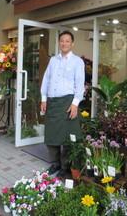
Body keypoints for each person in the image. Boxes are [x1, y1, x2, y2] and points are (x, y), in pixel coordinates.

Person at [40, 31, 85, 177]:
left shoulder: (77, 61)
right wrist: (43, 98)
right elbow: (46, 79)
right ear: (59, 43)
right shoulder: (53, 60)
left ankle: (65, 168)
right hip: (52, 102)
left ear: (72, 44)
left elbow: (80, 83)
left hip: (67, 101)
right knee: (51, 135)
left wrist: (75, 104)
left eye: (67, 41)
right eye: (62, 41)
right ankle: (55, 164)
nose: (64, 43)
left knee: (66, 137)